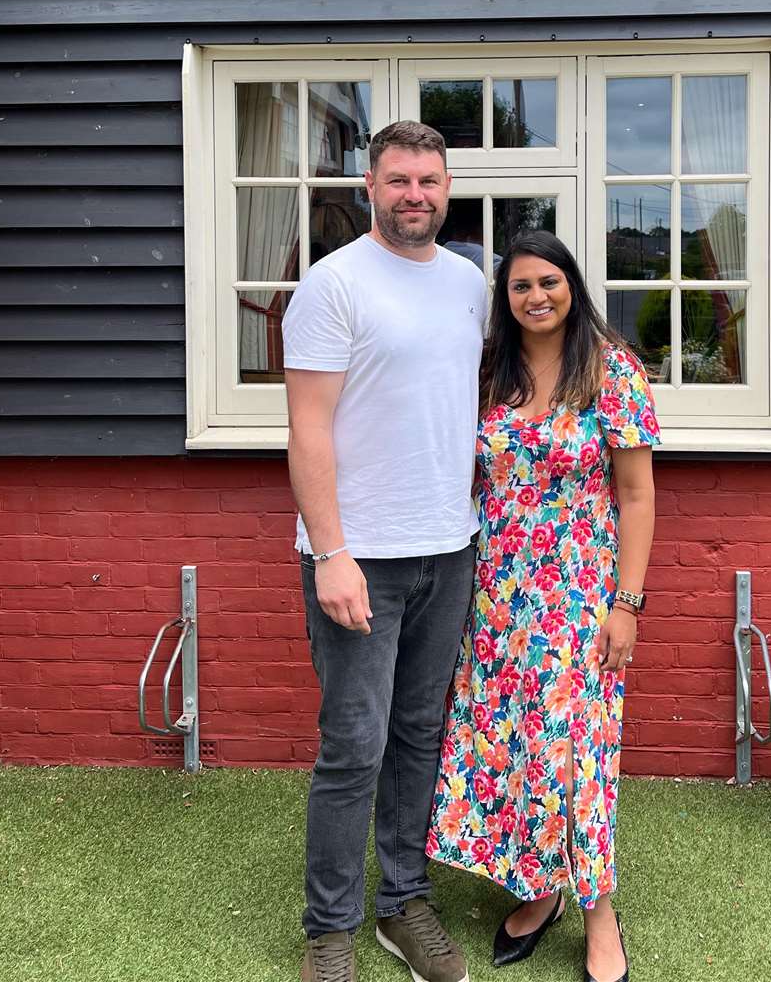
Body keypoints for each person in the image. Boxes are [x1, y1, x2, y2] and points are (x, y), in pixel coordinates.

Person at [282, 120, 486, 982]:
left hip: (452, 546)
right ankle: (329, 930)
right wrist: (331, 552)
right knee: (353, 744)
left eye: (430, 181)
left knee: (420, 734)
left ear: (447, 188)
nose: (416, 196)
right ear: (372, 187)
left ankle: (403, 905)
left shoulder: (471, 284)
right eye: (399, 180)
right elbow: (306, 427)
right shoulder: (332, 286)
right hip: (359, 556)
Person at [427, 232, 658, 982]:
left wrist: (626, 604)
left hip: (579, 596)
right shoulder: (491, 373)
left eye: (548, 282)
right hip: (495, 595)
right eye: (521, 286)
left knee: (575, 755)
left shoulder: (612, 369)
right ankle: (538, 890)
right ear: (506, 298)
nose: (536, 297)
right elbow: (456, 467)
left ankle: (600, 916)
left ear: (572, 286)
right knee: (513, 746)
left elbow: (636, 495)